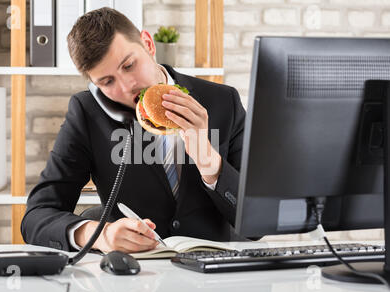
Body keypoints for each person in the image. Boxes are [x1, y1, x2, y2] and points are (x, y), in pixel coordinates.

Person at [21, 7, 246, 253]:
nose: (128, 86)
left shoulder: (223, 102)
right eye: (107, 82)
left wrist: (211, 164)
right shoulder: (87, 112)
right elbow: (36, 217)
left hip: (214, 276)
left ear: (148, 44)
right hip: (135, 278)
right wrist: (99, 235)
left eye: (129, 65)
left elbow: (255, 226)